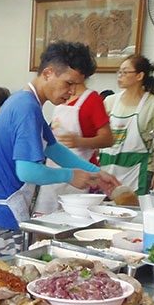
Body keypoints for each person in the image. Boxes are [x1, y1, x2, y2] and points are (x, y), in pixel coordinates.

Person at [0, 41, 119, 257]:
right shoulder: (26, 108)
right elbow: (27, 171)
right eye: (68, 83)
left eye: (76, 85)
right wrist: (69, 176)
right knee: (7, 282)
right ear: (48, 73)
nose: (71, 92)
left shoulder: (27, 102)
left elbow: (54, 149)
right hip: (0, 215)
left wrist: (96, 173)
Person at [35, 79, 113, 214]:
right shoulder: (61, 100)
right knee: (45, 219)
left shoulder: (92, 99)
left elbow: (108, 139)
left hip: (81, 174)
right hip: (52, 171)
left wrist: (80, 142)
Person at [99, 55, 154, 195]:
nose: (120, 76)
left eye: (125, 72)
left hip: (139, 170)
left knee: (134, 212)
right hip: (108, 167)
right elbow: (100, 133)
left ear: (139, 76)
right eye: (119, 72)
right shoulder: (110, 101)